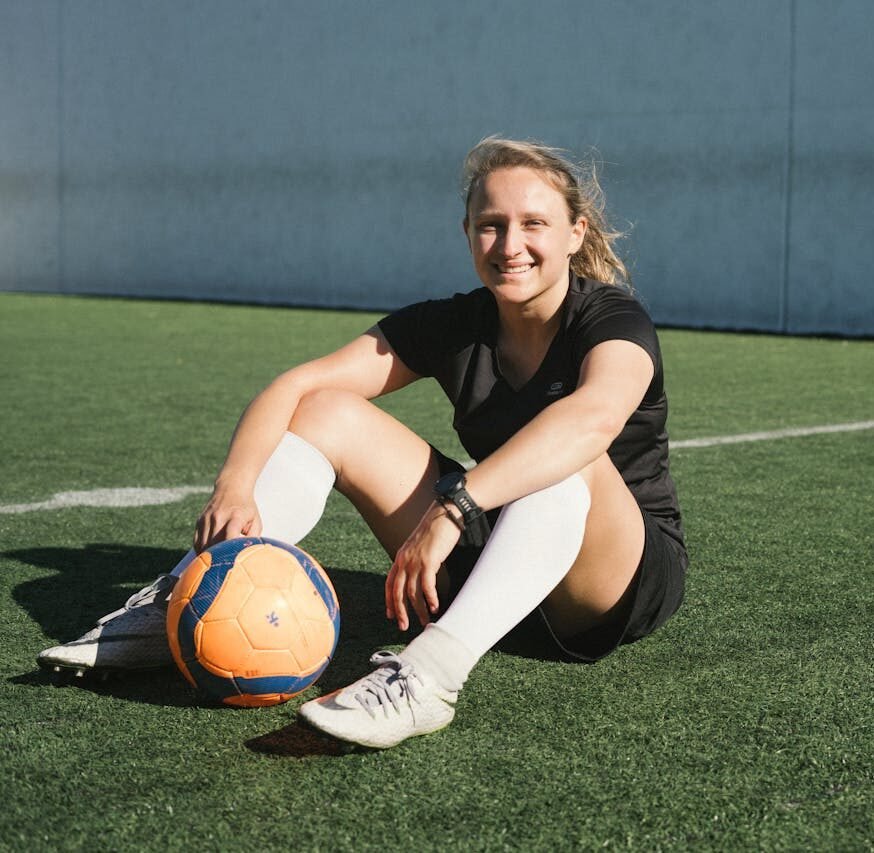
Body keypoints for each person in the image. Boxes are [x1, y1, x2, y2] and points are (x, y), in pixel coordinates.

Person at [39, 137, 687, 749]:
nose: (509, 243)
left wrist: (457, 503)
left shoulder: (611, 318)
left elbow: (592, 420)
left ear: (575, 233)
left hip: (607, 584)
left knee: (567, 459)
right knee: (326, 409)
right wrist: (234, 483)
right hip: (497, 562)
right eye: (491, 223)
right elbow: (296, 387)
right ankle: (178, 607)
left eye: (533, 224)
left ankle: (427, 677)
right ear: (467, 233)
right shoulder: (455, 323)